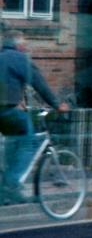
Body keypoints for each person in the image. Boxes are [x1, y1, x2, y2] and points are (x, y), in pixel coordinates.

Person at [0, 31, 68, 204]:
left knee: (12, 143)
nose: (26, 48)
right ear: (19, 46)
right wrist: (57, 105)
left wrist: (16, 100)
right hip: (7, 112)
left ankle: (5, 192)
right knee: (29, 142)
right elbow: (40, 84)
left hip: (6, 110)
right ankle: (12, 184)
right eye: (25, 45)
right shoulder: (21, 59)